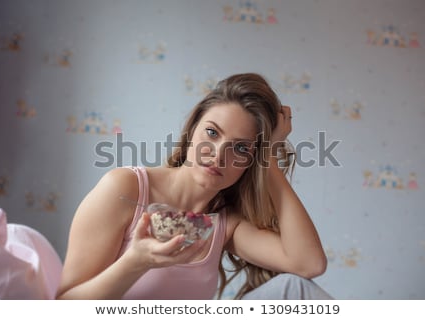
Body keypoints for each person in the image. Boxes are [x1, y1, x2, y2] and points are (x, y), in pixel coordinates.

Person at [56, 73, 332, 299]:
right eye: (212, 133)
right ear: (192, 131)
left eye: (240, 148)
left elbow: (308, 264)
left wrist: (269, 156)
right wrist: (136, 262)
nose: (218, 154)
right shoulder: (126, 187)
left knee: (294, 290)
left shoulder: (227, 224)